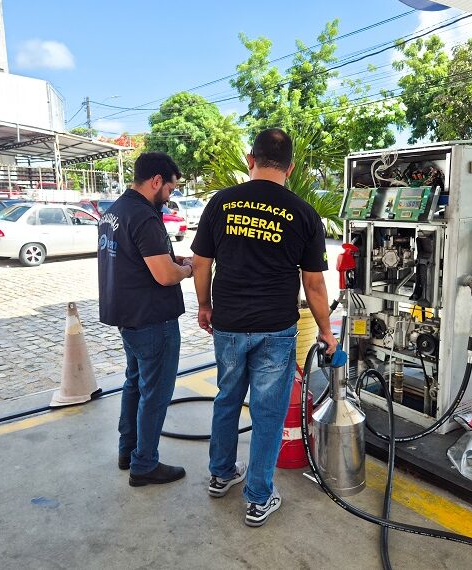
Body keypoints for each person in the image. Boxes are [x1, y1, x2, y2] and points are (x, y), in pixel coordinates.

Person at [191, 128, 338, 527]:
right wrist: (326, 332)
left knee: (226, 398)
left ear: (250, 160)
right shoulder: (304, 213)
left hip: (229, 322)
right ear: (291, 167)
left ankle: (221, 475)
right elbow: (314, 283)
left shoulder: (220, 203)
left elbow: (201, 263)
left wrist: (205, 305)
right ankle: (258, 496)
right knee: (268, 413)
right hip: (276, 327)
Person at [98, 151, 193, 487]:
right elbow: (166, 276)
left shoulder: (114, 212)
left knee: (135, 384)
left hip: (129, 318)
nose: (169, 198)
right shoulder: (145, 217)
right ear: (156, 181)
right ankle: (145, 464)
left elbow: (136, 259)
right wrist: (187, 267)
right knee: (156, 393)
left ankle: (128, 451)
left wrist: (170, 257)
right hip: (154, 320)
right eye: (169, 189)